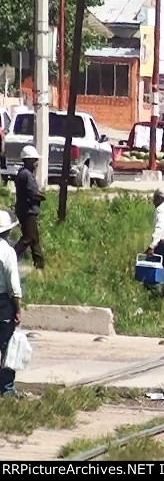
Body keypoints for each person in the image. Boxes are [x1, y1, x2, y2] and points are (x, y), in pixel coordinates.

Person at [0, 210, 22, 397]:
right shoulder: (7, 252)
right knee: (7, 347)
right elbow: (13, 285)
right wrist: (17, 309)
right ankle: (7, 389)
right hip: (3, 304)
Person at [14, 146, 44, 270]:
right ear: (27, 160)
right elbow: (32, 193)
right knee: (28, 238)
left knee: (34, 239)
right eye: (34, 160)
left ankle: (40, 266)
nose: (36, 162)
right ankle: (9, 257)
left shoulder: (24, 173)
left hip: (25, 210)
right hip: (28, 212)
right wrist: (42, 196)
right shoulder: (26, 175)